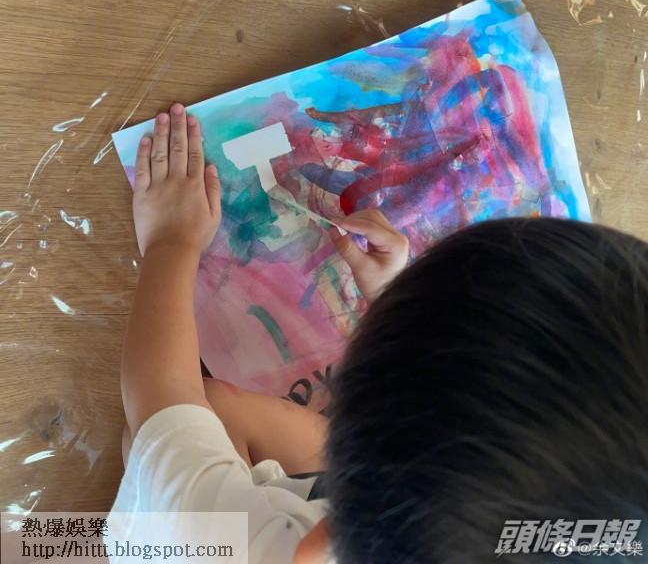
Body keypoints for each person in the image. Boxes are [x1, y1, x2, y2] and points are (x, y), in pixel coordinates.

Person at [112, 103, 648, 563]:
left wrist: (170, 241)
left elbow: (160, 399)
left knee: (152, 439)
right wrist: (396, 298)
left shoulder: (216, 539)